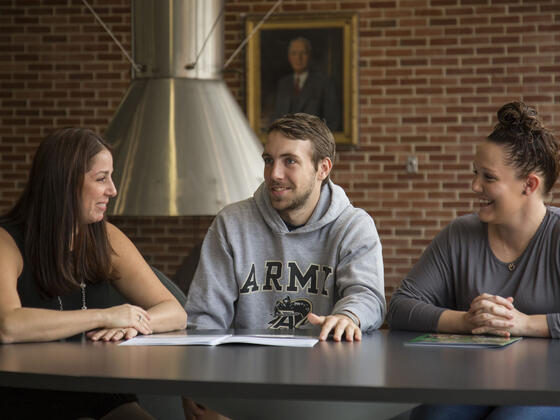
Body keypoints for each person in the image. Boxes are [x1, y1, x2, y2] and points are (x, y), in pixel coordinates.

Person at [387, 101, 560, 420]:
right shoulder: (459, 233)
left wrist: (523, 323)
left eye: (488, 178)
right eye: (475, 174)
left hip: (551, 386)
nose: (474, 186)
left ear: (530, 185)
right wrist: (468, 321)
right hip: (477, 382)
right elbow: (400, 306)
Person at [0, 128, 187, 419]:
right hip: (29, 394)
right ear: (64, 183)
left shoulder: (106, 237)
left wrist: (133, 323)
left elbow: (175, 312)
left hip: (100, 392)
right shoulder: (7, 242)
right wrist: (105, 316)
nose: (112, 190)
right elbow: (9, 325)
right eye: (101, 179)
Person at [186, 112, 385, 340]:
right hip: (245, 368)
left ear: (323, 169)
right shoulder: (231, 223)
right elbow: (204, 318)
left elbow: (368, 296)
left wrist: (348, 316)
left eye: (290, 161)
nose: (274, 174)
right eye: (269, 160)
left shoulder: (353, 226)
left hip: (326, 364)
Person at [272, 37, 340, 131]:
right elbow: (276, 118)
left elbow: (333, 121)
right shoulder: (283, 83)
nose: (298, 58)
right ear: (289, 57)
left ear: (310, 56)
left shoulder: (324, 83)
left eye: (303, 53)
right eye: (294, 53)